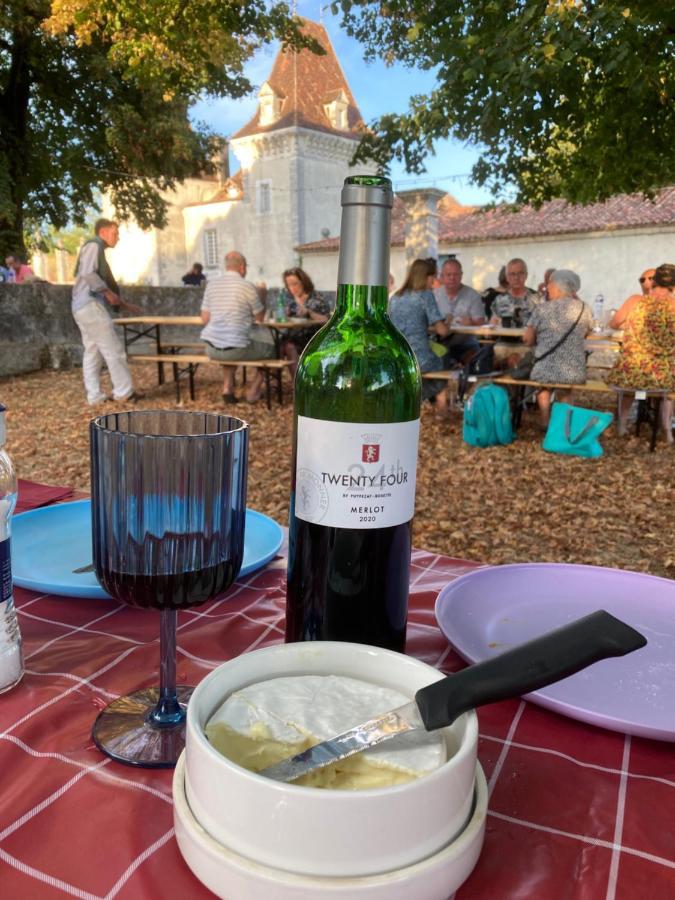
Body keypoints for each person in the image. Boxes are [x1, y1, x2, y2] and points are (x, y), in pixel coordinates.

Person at [71, 218, 142, 405]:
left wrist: (124, 304)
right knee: (113, 349)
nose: (117, 237)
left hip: (80, 306)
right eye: (115, 233)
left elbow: (93, 280)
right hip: (90, 305)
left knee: (93, 351)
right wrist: (107, 292)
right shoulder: (94, 246)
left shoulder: (95, 249)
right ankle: (124, 393)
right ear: (103, 232)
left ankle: (94, 396)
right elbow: (88, 273)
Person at [608, 263, 675, 442]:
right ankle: (667, 430)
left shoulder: (635, 301)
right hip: (661, 376)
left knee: (630, 384)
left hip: (631, 372)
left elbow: (613, 324)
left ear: (654, 282)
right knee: (669, 386)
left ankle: (622, 425)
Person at [200, 250, 274, 403]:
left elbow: (205, 319)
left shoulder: (211, 285)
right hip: (236, 349)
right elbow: (260, 318)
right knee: (276, 350)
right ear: (242, 268)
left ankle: (228, 389)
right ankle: (253, 392)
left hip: (211, 348)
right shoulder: (247, 286)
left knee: (228, 344)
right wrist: (263, 295)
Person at [523, 269, 593, 427]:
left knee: (544, 386)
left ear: (558, 287)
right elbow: (587, 331)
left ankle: (545, 422)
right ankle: (563, 425)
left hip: (544, 369)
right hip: (574, 371)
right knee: (565, 389)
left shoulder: (542, 309)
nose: (548, 288)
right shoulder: (584, 309)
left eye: (550, 285)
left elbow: (528, 339)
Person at [388, 258, 452, 415]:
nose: (434, 281)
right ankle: (441, 411)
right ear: (426, 277)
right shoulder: (425, 296)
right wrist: (448, 321)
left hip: (398, 358)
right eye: (433, 277)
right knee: (445, 360)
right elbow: (442, 331)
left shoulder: (395, 297)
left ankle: (417, 402)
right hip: (420, 359)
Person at [432, 257, 484, 366]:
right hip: (439, 343)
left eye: (455, 274)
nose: (452, 278)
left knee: (476, 361)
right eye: (448, 275)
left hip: (465, 343)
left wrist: (471, 323)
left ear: (461, 275)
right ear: (442, 276)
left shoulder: (472, 295)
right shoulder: (434, 295)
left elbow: (481, 323)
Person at [491, 258, 541, 368]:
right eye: (512, 274)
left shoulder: (537, 299)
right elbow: (491, 327)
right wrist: (493, 324)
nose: (516, 278)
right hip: (503, 346)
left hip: (528, 347)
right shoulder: (499, 300)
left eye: (520, 274)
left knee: (514, 360)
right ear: (507, 277)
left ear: (526, 275)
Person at [280, 267, 330, 373]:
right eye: (289, 285)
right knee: (278, 346)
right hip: (293, 336)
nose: (292, 288)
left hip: (312, 338)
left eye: (295, 284)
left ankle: (298, 382)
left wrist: (309, 312)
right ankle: (290, 381)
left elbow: (326, 320)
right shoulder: (288, 299)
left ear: (303, 282)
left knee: (289, 346)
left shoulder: (316, 297)